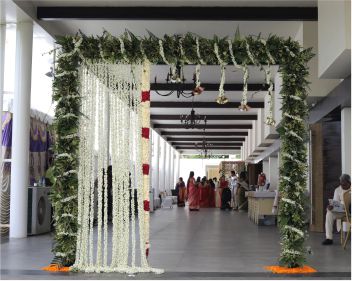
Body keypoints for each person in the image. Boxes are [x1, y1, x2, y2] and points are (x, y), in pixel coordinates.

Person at [322, 174, 351, 245]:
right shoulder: (337, 190)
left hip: (350, 211)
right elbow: (335, 203)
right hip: (342, 212)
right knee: (329, 213)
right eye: (341, 184)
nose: (342, 186)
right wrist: (331, 207)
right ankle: (329, 238)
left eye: (344, 184)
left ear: (349, 183)